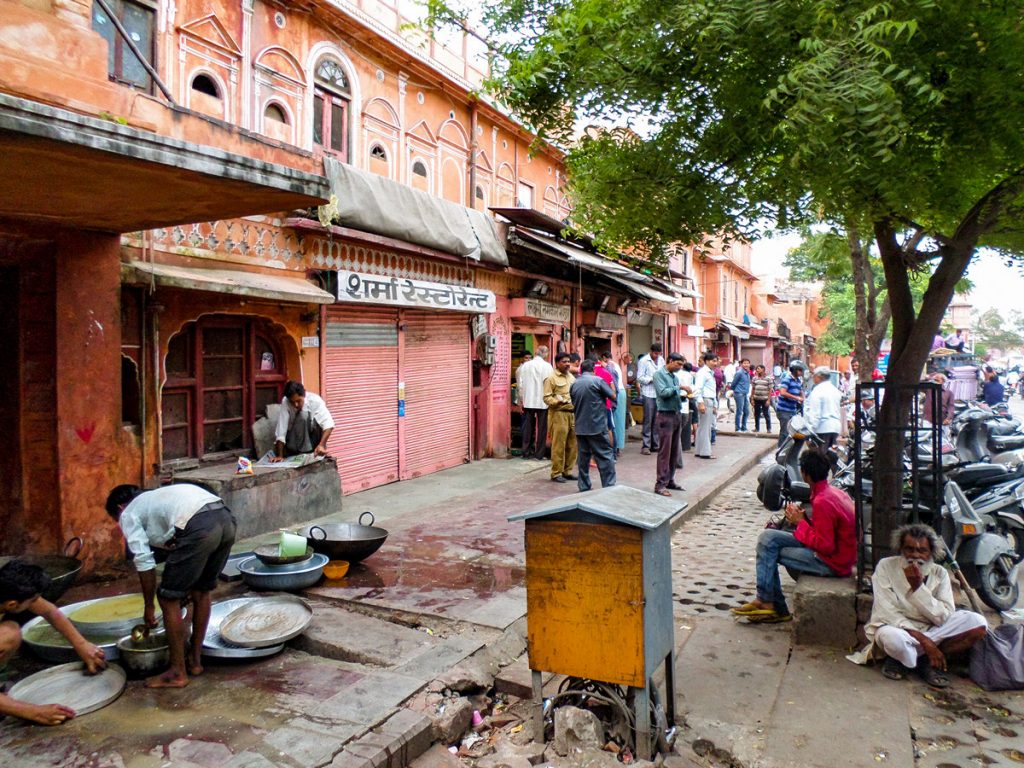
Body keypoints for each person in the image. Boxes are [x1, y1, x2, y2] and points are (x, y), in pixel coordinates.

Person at [105, 483, 237, 688]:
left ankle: (177, 672)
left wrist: (149, 606)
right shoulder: (157, 498)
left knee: (167, 598)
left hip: (200, 526)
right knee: (201, 591)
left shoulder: (129, 513)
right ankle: (194, 662)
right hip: (225, 519)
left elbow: (144, 561)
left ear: (120, 508)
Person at [848, 524, 987, 688]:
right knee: (891, 638)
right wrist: (924, 641)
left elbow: (944, 617)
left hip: (933, 629)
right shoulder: (886, 566)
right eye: (909, 549)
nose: (915, 555)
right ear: (901, 549)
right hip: (900, 629)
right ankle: (926, 659)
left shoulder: (939, 573)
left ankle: (916, 660)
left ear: (931, 553)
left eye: (922, 551)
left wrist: (918, 588)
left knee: (978, 622)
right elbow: (886, 613)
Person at [732, 451, 856, 624]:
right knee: (767, 538)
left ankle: (771, 604)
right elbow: (826, 531)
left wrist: (800, 523)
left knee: (770, 551)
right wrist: (803, 520)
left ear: (805, 474)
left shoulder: (822, 501)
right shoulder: (833, 492)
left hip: (832, 562)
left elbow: (825, 545)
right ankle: (767, 601)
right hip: (837, 553)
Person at [0, 561, 107, 725]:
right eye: (33, 599)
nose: (36, 601)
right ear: (12, 604)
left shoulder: (6, 592)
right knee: (9, 634)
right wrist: (35, 712)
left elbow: (49, 611)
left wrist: (82, 645)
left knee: (11, 629)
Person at [570, 359, 618, 491]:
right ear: (593, 369)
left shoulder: (575, 383)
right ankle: (608, 486)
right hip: (597, 425)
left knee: (583, 458)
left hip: (580, 426)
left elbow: (573, 401)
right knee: (605, 456)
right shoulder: (597, 381)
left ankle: (584, 486)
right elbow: (613, 396)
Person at [272, 380, 335, 460]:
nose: (296, 405)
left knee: (306, 415)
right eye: (292, 402)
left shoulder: (315, 401)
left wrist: (322, 444)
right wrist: (279, 456)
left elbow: (329, 424)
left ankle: (318, 450)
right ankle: (303, 453)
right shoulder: (286, 402)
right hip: (294, 441)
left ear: (304, 395)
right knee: (302, 415)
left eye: (298, 401)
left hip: (313, 439)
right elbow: (281, 430)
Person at [653, 353, 686, 496]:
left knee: (674, 451)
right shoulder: (659, 375)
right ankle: (660, 484)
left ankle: (670, 480)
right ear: (670, 361)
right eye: (678, 364)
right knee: (664, 452)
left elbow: (674, 395)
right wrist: (679, 389)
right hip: (665, 416)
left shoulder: (674, 377)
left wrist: (682, 396)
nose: (680, 367)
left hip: (676, 414)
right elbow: (663, 393)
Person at [543, 353, 577, 484]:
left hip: (572, 413)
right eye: (564, 361)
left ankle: (567, 471)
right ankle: (556, 473)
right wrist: (557, 401)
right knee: (559, 445)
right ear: (557, 363)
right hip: (558, 414)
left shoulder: (571, 377)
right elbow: (546, 398)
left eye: (568, 361)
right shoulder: (551, 378)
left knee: (572, 444)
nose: (567, 364)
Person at [517, 346, 554, 460]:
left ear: (536, 353)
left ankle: (526, 452)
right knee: (542, 429)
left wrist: (521, 400)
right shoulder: (548, 366)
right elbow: (551, 384)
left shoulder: (525, 366)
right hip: (543, 402)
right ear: (545, 354)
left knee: (528, 427)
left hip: (528, 401)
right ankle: (539, 454)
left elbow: (520, 385)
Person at [804, 365, 843, 451]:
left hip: (822, 429)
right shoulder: (834, 390)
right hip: (835, 428)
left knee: (820, 458)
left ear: (819, 377)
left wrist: (809, 432)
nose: (813, 378)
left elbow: (815, 414)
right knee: (829, 457)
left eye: (814, 375)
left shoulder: (818, 391)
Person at [636, 343, 665, 455]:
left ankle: (655, 444)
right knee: (648, 419)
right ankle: (646, 445)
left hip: (658, 394)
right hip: (648, 393)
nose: (656, 356)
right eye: (655, 353)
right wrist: (652, 379)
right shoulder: (643, 361)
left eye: (658, 353)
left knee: (657, 420)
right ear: (651, 351)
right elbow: (640, 378)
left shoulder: (661, 360)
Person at [600, 350, 628, 457]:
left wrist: (613, 398)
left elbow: (613, 383)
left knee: (614, 423)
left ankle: (615, 448)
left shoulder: (610, 366)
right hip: (620, 392)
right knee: (618, 422)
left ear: (604, 358)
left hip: (617, 393)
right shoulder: (615, 364)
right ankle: (617, 447)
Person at [775, 360, 806, 447]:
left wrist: (803, 398)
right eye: (799, 370)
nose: (801, 372)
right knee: (784, 432)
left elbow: (800, 391)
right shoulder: (787, 379)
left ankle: (787, 450)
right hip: (784, 410)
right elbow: (782, 392)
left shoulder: (798, 381)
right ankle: (780, 451)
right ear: (794, 370)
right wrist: (796, 398)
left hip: (792, 410)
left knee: (791, 432)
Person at [693, 352, 719, 459]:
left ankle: (699, 450)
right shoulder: (703, 372)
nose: (715, 363)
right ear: (707, 361)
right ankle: (705, 452)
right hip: (705, 400)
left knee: (703, 427)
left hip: (709, 400)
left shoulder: (709, 372)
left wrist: (715, 404)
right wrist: (700, 402)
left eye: (716, 361)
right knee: (705, 427)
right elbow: (698, 389)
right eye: (713, 361)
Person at [592, 354, 618, 452]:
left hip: (592, 407)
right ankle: (612, 453)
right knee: (609, 429)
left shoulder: (587, 373)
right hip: (606, 405)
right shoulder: (606, 372)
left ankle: (594, 455)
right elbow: (613, 390)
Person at [676, 361, 696, 452]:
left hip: (683, 399)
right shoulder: (689, 375)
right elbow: (692, 387)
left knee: (681, 422)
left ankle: (678, 444)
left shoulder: (678, 374)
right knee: (683, 421)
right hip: (684, 399)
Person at [731, 358, 752, 432]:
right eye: (744, 363)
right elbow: (733, 383)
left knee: (746, 411)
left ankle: (744, 427)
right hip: (739, 393)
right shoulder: (739, 372)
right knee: (739, 411)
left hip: (745, 394)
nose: (746, 364)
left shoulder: (747, 372)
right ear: (741, 364)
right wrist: (735, 391)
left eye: (747, 363)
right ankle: (737, 428)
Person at [750, 364, 773, 433]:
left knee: (766, 414)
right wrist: (752, 398)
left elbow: (770, 390)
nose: (757, 370)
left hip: (765, 399)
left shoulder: (768, 378)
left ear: (763, 369)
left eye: (759, 369)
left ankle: (768, 429)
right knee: (756, 414)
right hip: (756, 398)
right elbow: (753, 389)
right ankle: (757, 428)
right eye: (757, 369)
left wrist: (768, 400)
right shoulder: (754, 378)